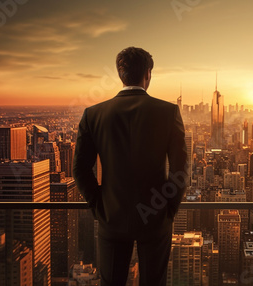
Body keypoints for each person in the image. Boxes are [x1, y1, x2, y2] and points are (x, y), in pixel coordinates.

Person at [73, 47, 188, 285]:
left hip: (111, 218)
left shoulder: (93, 114)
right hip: (155, 218)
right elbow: (179, 172)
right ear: (148, 74)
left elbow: (80, 170)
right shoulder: (168, 112)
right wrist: (168, 211)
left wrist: (99, 207)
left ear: (120, 74)